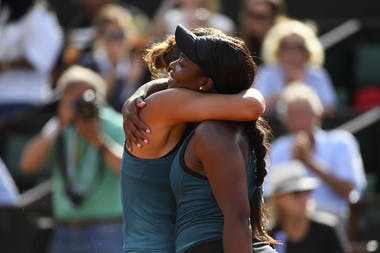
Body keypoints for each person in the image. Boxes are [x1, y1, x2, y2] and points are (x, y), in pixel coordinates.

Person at [122, 25, 276, 253]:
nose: (172, 66)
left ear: (205, 83)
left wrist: (137, 95)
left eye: (183, 62)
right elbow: (251, 101)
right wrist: (137, 95)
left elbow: (253, 103)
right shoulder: (169, 107)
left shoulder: (210, 129)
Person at [20, 65, 124, 253]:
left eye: (82, 98)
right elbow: (27, 164)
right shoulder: (59, 128)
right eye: (70, 98)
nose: (77, 105)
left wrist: (98, 141)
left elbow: (128, 170)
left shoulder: (115, 124)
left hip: (107, 231)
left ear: (98, 98)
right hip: (65, 232)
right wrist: (58, 124)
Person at [266, 83, 367, 227]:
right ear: (285, 121)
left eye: (304, 114)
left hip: (335, 221)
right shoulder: (277, 149)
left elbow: (349, 190)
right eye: (293, 116)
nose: (299, 122)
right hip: (288, 224)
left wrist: (308, 161)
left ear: (318, 115)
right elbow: (269, 195)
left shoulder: (341, 142)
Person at [253, 20, 337, 114]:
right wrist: (285, 89)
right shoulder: (266, 73)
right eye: (286, 46)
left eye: (299, 47)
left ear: (307, 50)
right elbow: (258, 107)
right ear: (278, 50)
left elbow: (329, 108)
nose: (293, 52)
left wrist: (302, 88)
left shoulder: (318, 74)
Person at [265, 160, 348, 253]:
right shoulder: (267, 235)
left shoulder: (327, 230)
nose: (304, 198)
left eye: (307, 191)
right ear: (277, 199)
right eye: (296, 193)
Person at [0, 0, 62, 122]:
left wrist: (5, 64)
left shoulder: (41, 16)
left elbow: (41, 58)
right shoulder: (5, 13)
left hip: (26, 102)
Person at [77, 3, 146, 112]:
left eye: (121, 35)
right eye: (113, 36)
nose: (119, 41)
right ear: (100, 38)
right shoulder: (88, 65)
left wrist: (132, 82)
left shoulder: (138, 64)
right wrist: (113, 69)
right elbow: (93, 106)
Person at [238, 0, 287, 66]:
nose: (254, 22)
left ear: (275, 18)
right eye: (250, 14)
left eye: (261, 17)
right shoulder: (238, 44)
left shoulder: (288, 44)